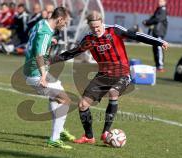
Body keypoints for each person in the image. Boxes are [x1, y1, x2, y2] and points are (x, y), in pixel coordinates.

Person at [49, 11, 169, 144]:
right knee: (82, 104)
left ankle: (106, 132)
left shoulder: (114, 30)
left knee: (113, 92)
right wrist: (50, 60)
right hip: (103, 75)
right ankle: (89, 137)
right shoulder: (89, 39)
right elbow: (72, 53)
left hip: (122, 73)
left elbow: (136, 36)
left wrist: (158, 42)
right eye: (93, 27)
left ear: (102, 23)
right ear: (89, 26)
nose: (96, 30)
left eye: (98, 27)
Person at [23, 7, 75, 149]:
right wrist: (43, 76)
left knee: (57, 96)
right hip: (35, 74)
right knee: (66, 100)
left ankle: (59, 130)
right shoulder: (45, 32)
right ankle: (55, 138)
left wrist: (49, 40)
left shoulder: (41, 23)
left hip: (31, 70)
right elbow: (39, 55)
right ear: (59, 19)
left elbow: (32, 35)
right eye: (65, 22)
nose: (65, 25)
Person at [143, 0, 168, 72]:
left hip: (159, 32)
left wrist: (147, 22)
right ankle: (157, 65)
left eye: (161, 1)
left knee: (159, 48)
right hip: (155, 32)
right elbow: (153, 18)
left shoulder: (163, 9)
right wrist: (147, 22)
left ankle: (160, 66)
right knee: (155, 49)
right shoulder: (158, 9)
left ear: (165, 2)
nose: (159, 2)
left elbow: (158, 19)